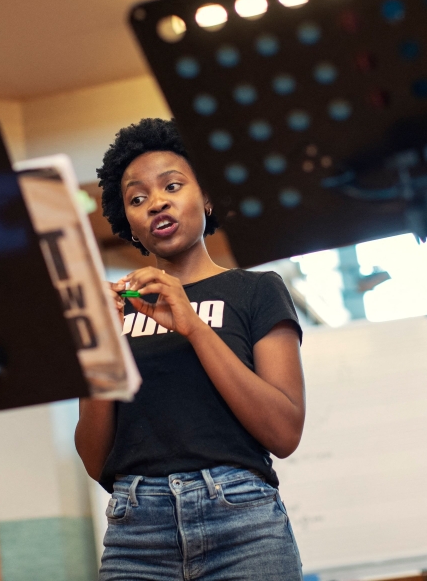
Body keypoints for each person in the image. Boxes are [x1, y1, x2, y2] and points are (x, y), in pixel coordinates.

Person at [75, 118, 306, 580]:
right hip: (136, 530)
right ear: (130, 226)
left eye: (172, 186)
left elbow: (284, 433)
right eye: (137, 199)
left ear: (206, 196)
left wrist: (195, 327)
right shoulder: (118, 309)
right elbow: (94, 458)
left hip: (243, 522)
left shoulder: (257, 290)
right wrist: (102, 345)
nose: (156, 202)